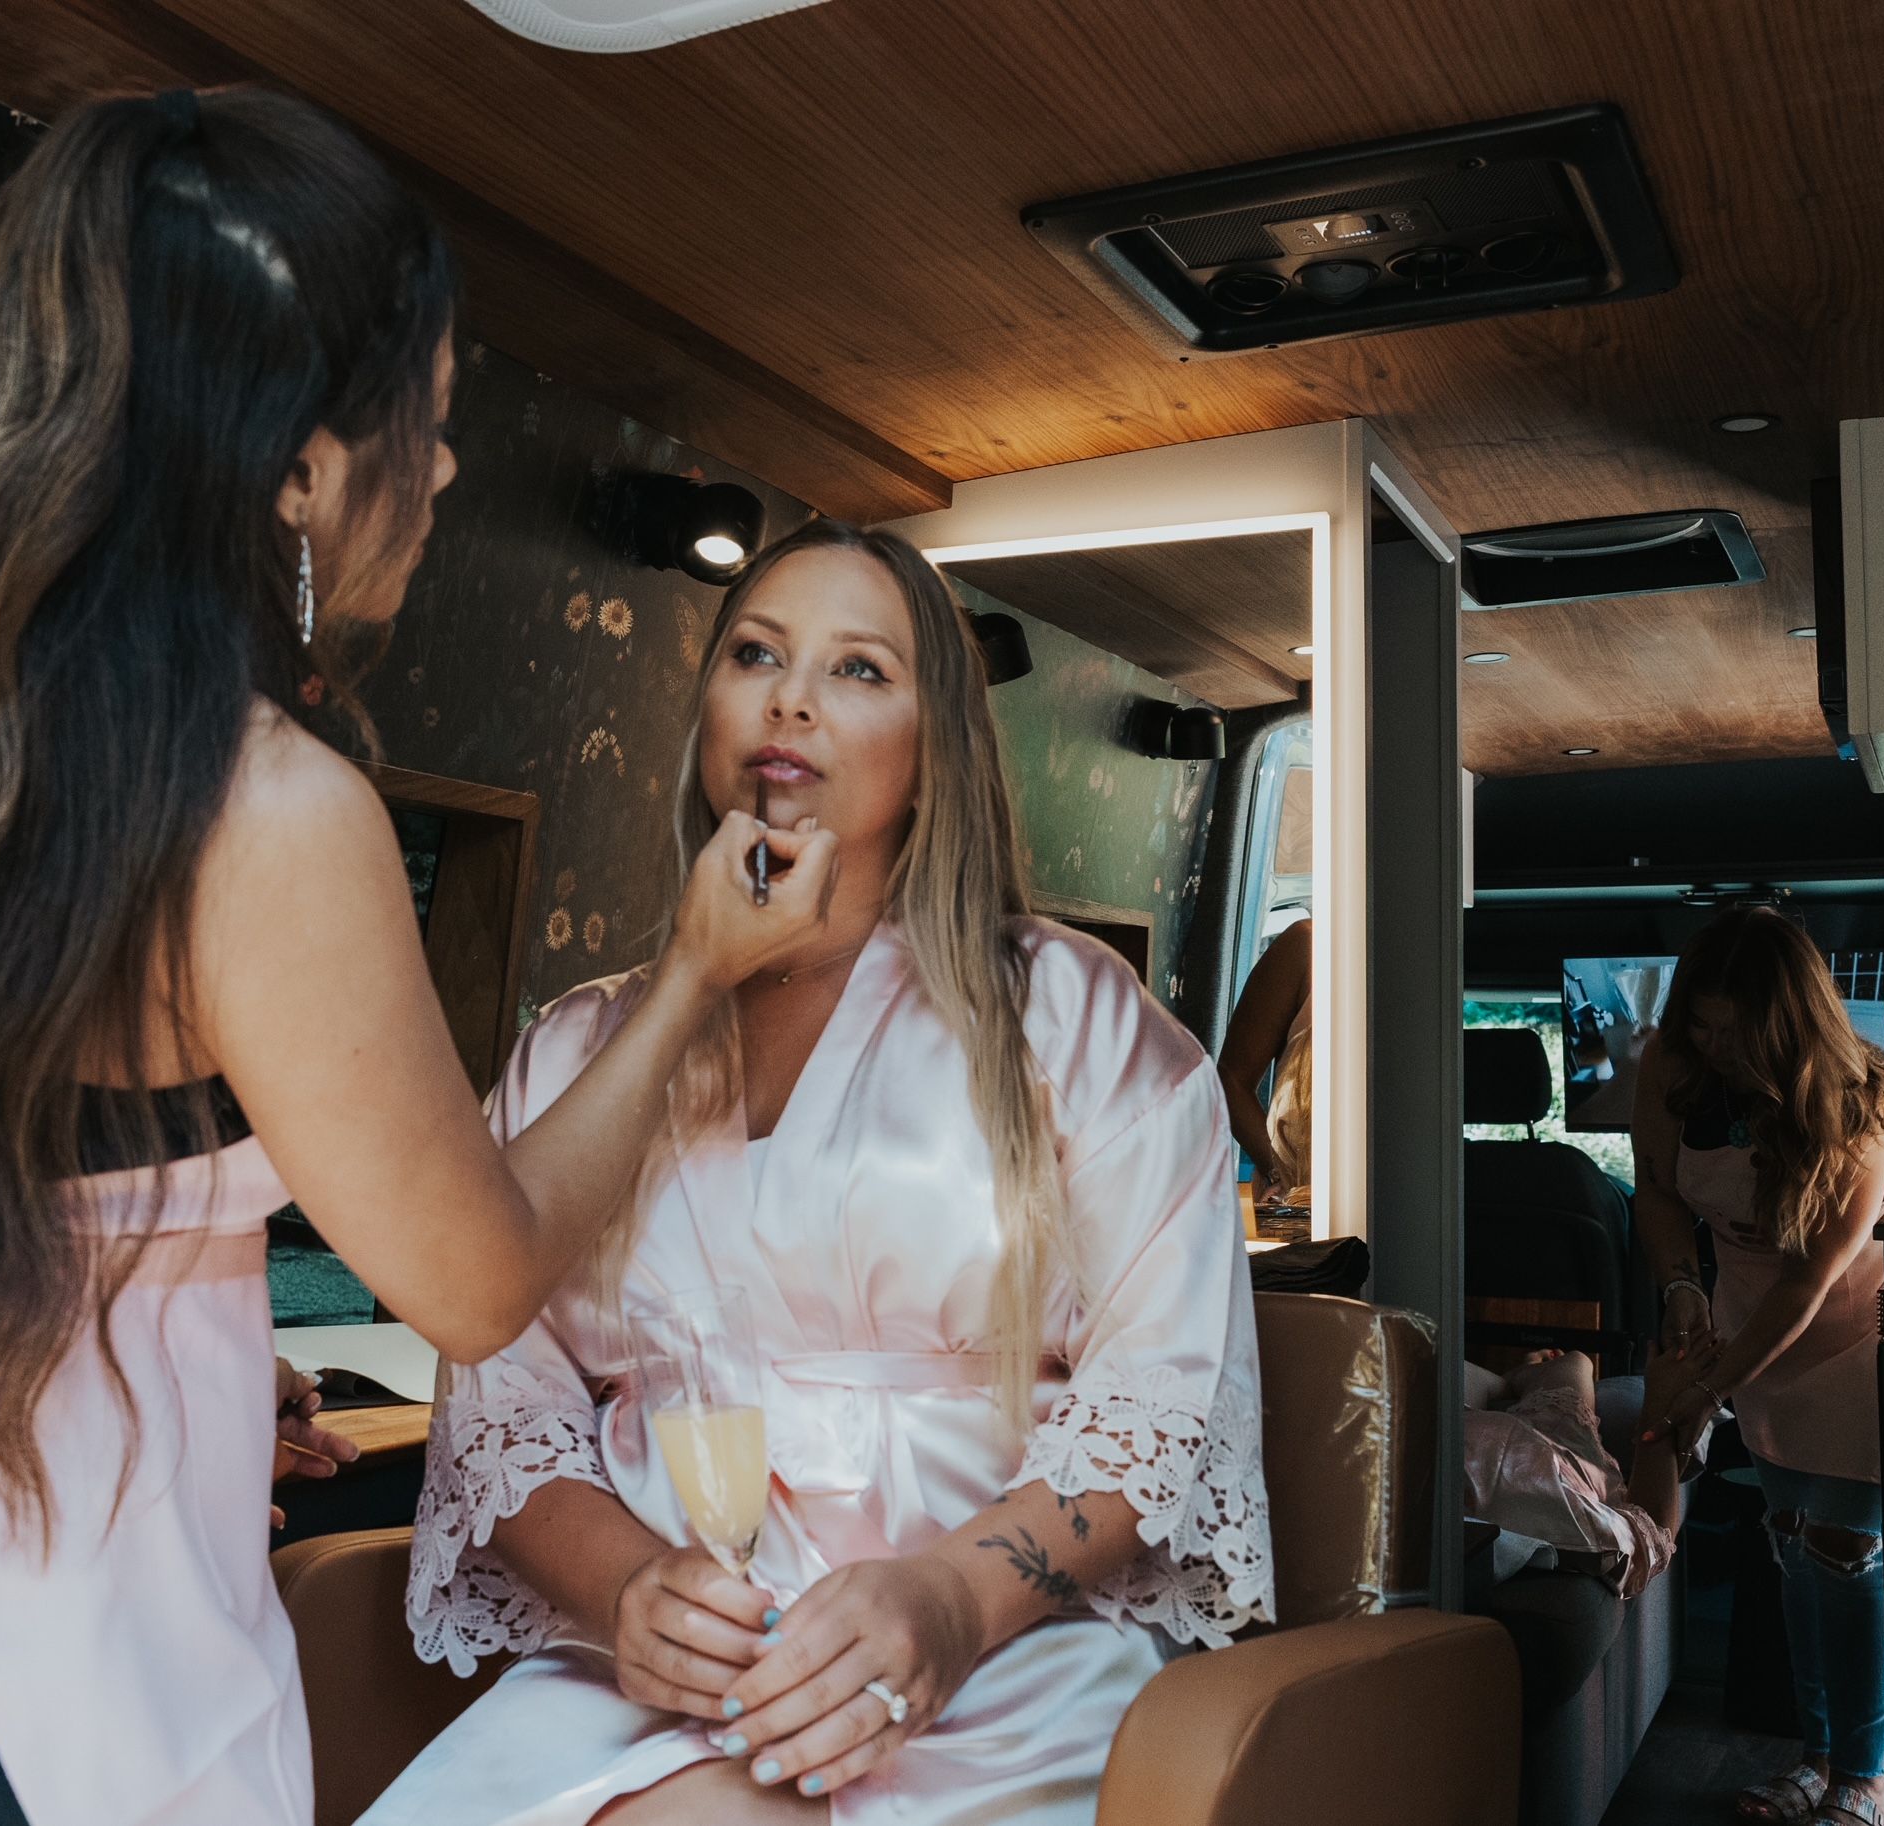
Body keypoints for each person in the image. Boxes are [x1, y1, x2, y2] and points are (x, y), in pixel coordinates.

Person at [0, 88, 832, 1826]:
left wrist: (184, 1350)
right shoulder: (265, 806)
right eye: (429, 420)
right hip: (38, 1679)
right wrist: (697, 977)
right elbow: (474, 1279)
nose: (451, 471)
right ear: (300, 471)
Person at [368, 522, 1271, 1826]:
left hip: (997, 1671)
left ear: (935, 747)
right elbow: (502, 1400)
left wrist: (951, 1598)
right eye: (755, 652)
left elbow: (1163, 1396)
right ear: (708, 712)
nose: (791, 695)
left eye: (858, 669)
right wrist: (627, 1588)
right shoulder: (575, 1049)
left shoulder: (1074, 1019)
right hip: (654, 1681)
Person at [1629, 907, 1884, 1826]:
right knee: (1791, 1543)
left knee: (1846, 1557)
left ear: (1784, 1025)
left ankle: (1867, 1776)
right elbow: (1659, 1191)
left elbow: (1810, 1284)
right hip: (1746, 1317)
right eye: (1700, 1024)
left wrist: (1707, 1394)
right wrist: (1681, 1289)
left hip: (1850, 1331)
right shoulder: (1672, 1069)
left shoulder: (1856, 1107)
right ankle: (1817, 1754)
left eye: (1732, 1031)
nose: (1711, 1046)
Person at [1462, 1341, 1712, 1600]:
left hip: (1514, 1445)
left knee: (1576, 1362)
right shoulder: (1519, 1507)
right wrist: (1662, 1403)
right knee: (1574, 1364)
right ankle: (1517, 1379)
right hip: (1543, 1466)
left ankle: (1516, 1380)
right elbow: (1650, 1541)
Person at [1217, 917, 1311, 1206]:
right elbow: (1231, 1080)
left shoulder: (1440, 969)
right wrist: (1279, 1173)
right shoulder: (1307, 947)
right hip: (1297, 1205)